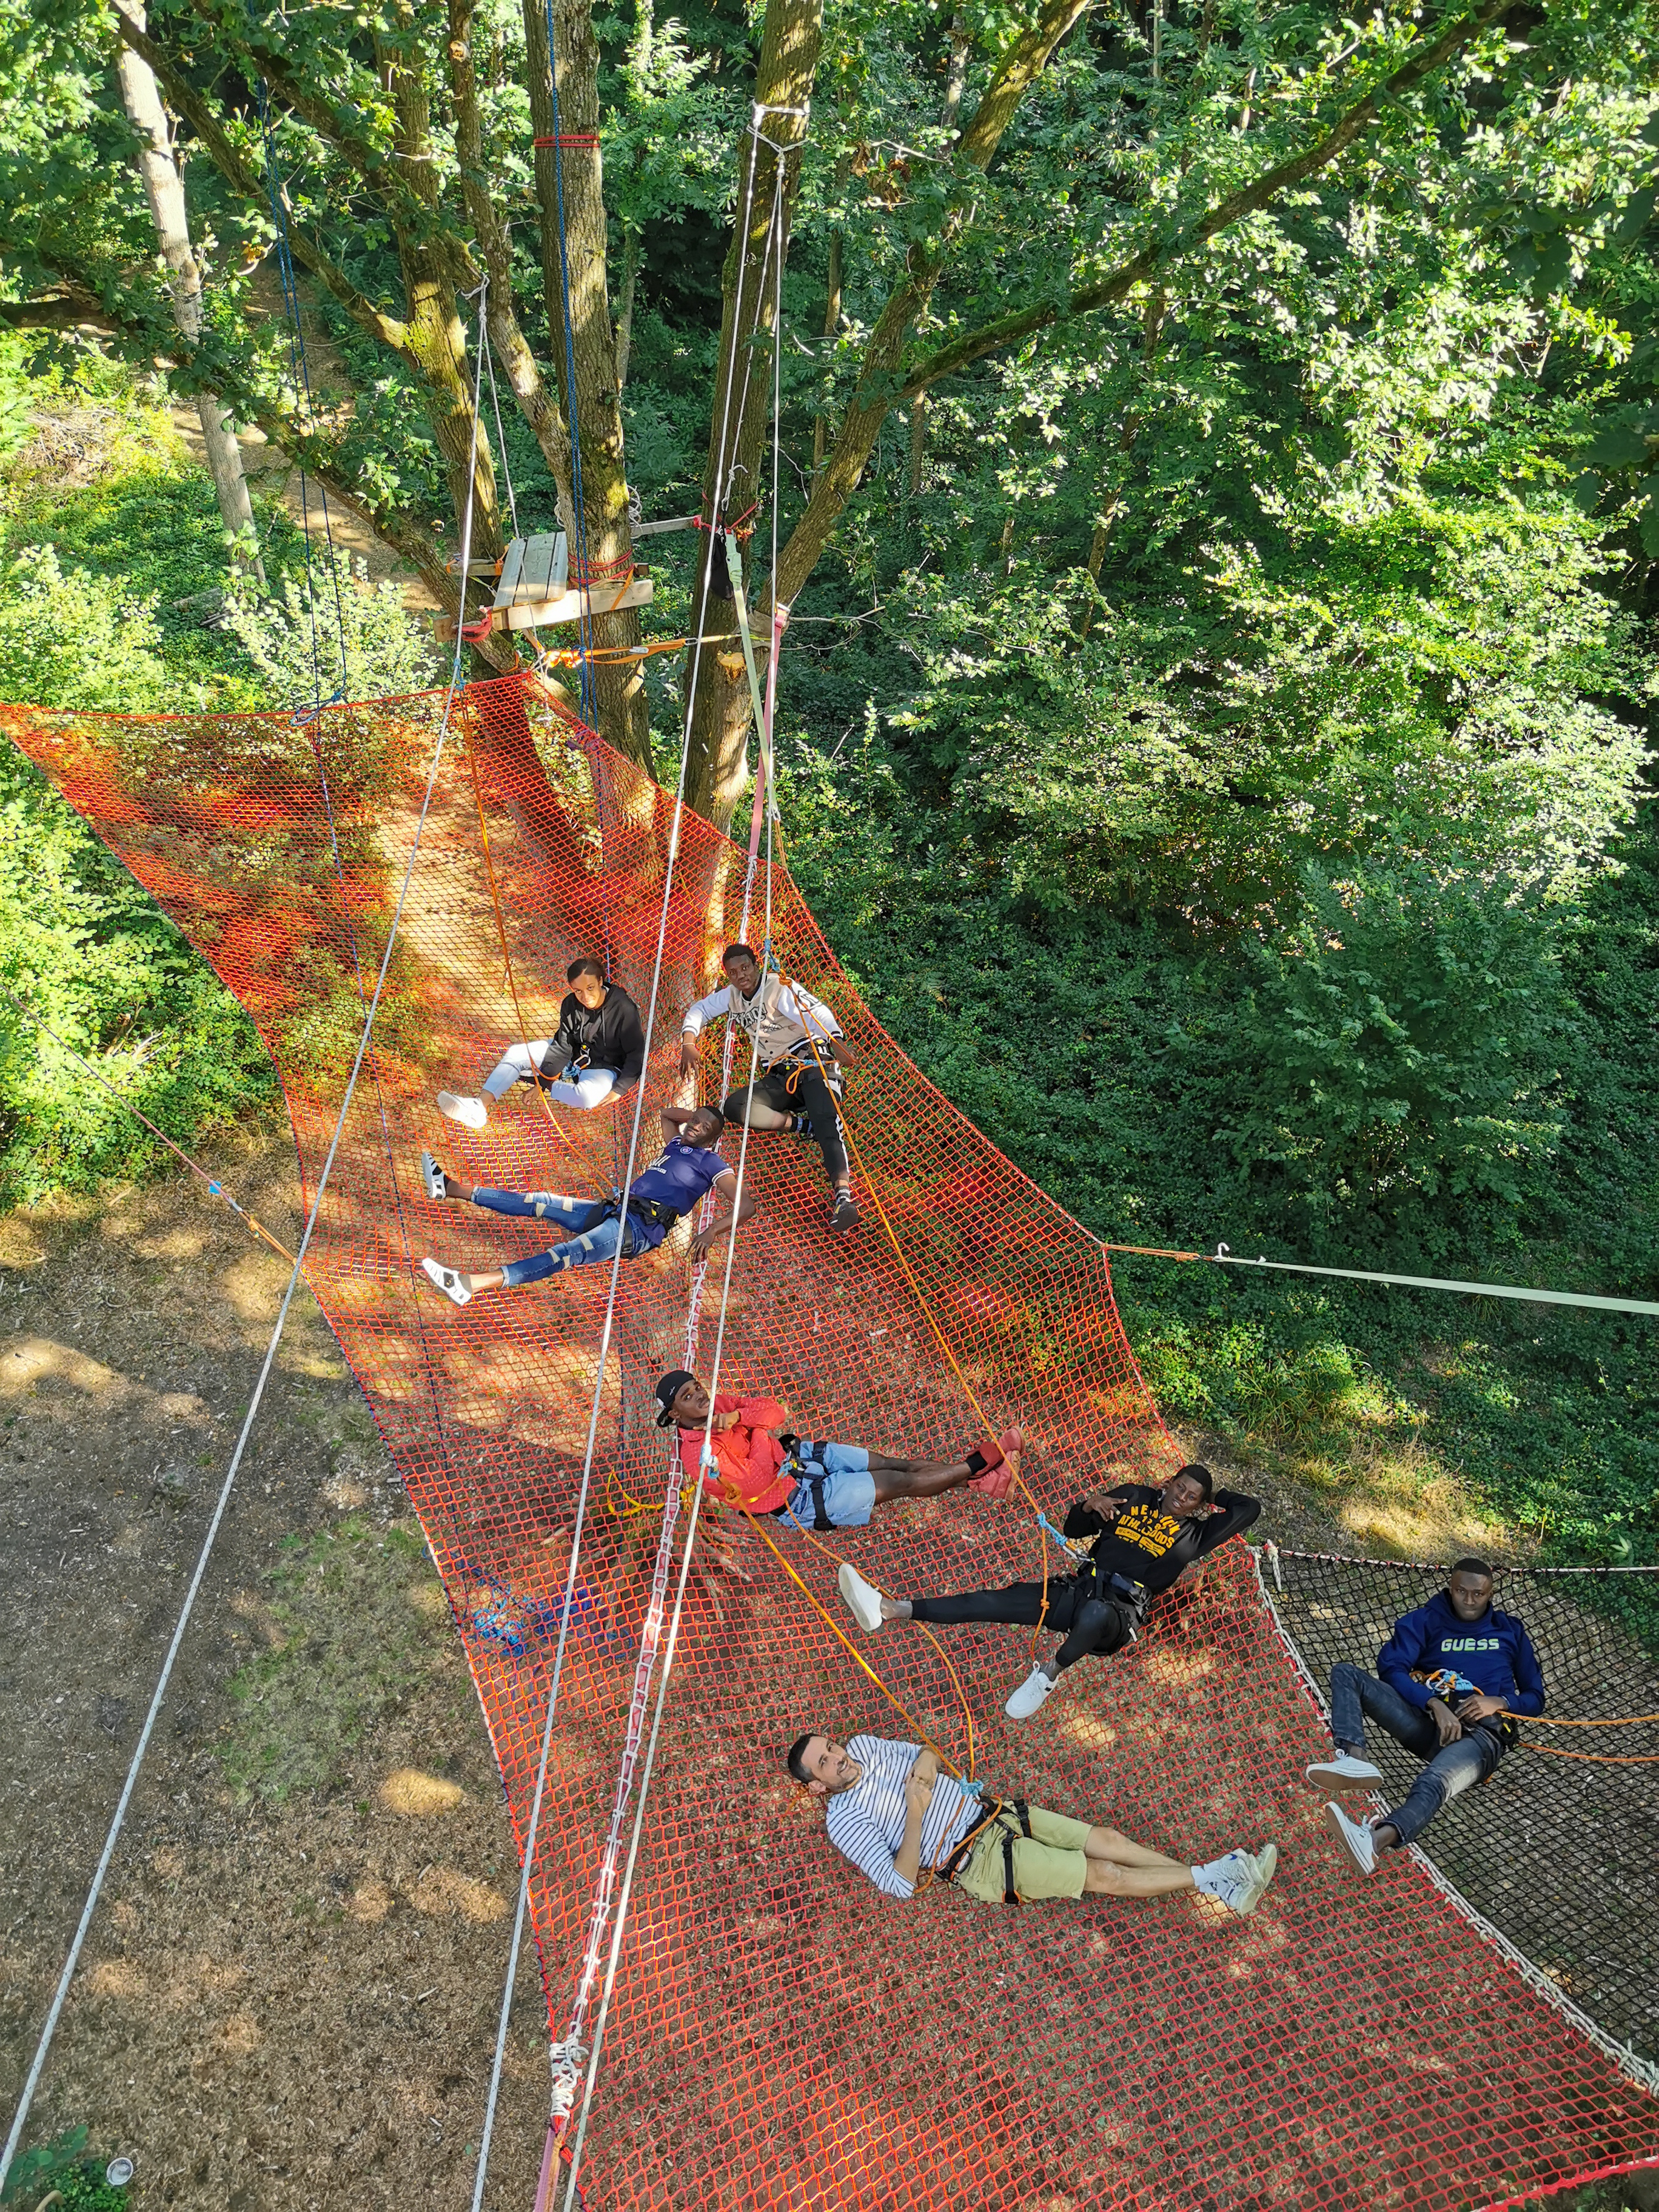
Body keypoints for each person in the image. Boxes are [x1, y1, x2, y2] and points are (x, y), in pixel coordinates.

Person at [836, 1464, 1261, 1721]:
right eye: (1180, 1487)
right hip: (1079, 1589)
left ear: (1200, 1505)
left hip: (1118, 1616)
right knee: (994, 1601)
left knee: (1096, 1614)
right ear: (1169, 1482)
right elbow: (1074, 1528)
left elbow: (1249, 1509)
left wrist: (1215, 1494)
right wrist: (1089, 1506)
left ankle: (1046, 1678)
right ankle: (888, 1609)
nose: (1182, 1498)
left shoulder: (1197, 1534)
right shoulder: (1134, 1496)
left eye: (1192, 1497)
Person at [786, 1732, 1279, 1914]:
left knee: (1109, 1840)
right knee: (1105, 1874)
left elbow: (924, 1752)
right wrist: (915, 1815)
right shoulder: (845, 1821)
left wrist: (927, 1767)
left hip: (996, 1813)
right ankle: (1222, 1875)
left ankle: (1218, 1884)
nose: (838, 1758)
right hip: (977, 1860)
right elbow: (900, 1885)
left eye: (831, 1747)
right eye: (824, 1763)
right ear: (817, 1787)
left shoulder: (865, 1746)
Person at [1313, 1557, 1546, 1877]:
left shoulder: (1509, 1631)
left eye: (1478, 1594)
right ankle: (1355, 1759)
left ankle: (1372, 1842)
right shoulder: (1425, 1621)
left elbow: (1536, 1698)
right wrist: (1432, 1703)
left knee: (1434, 1782)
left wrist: (1499, 1702)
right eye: (1461, 1591)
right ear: (1450, 1587)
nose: (1469, 1600)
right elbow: (1392, 1668)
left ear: (1490, 1594)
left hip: (1482, 1738)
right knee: (1346, 1674)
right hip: (1428, 1723)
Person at [417, 1104, 752, 1305]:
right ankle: (449, 1188)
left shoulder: (711, 1162)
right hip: (616, 1209)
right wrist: (700, 1115)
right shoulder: (677, 1144)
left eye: (704, 1127)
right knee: (540, 1202)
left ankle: (468, 1285)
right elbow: (667, 1114)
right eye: (695, 1121)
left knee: (565, 1254)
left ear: (713, 1138)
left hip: (638, 1229)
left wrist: (711, 1232)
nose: (695, 1127)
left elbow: (746, 1206)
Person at [654, 1368, 1022, 1529]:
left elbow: (776, 1411)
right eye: (687, 1396)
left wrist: (739, 1418)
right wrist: (756, 1431)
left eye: (697, 1386)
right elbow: (758, 1480)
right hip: (793, 1499)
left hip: (800, 1456)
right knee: (897, 1483)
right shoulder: (697, 1457)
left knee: (894, 1463)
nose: (699, 1395)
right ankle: (980, 1461)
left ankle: (987, 1482)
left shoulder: (720, 1405)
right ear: (675, 1414)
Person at [680, 943, 859, 1233]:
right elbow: (699, 1009)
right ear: (728, 975)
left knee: (828, 1121)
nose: (741, 976)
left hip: (813, 1063)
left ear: (756, 965)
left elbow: (815, 1012)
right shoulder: (732, 996)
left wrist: (835, 1040)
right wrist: (688, 1042)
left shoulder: (778, 987)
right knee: (735, 1107)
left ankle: (843, 1199)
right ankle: (805, 1127)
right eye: (733, 972)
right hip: (781, 1074)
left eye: (745, 967)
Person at [436, 957, 646, 1127]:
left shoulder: (623, 1008)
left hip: (604, 1067)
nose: (585, 996)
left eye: (590, 988)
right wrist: (542, 1083)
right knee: (517, 1054)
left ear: (600, 981)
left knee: (587, 1099)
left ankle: (542, 1079)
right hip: (572, 1056)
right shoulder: (570, 1005)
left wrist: (620, 1088)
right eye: (578, 991)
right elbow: (563, 1046)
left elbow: (636, 1053)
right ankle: (478, 1107)